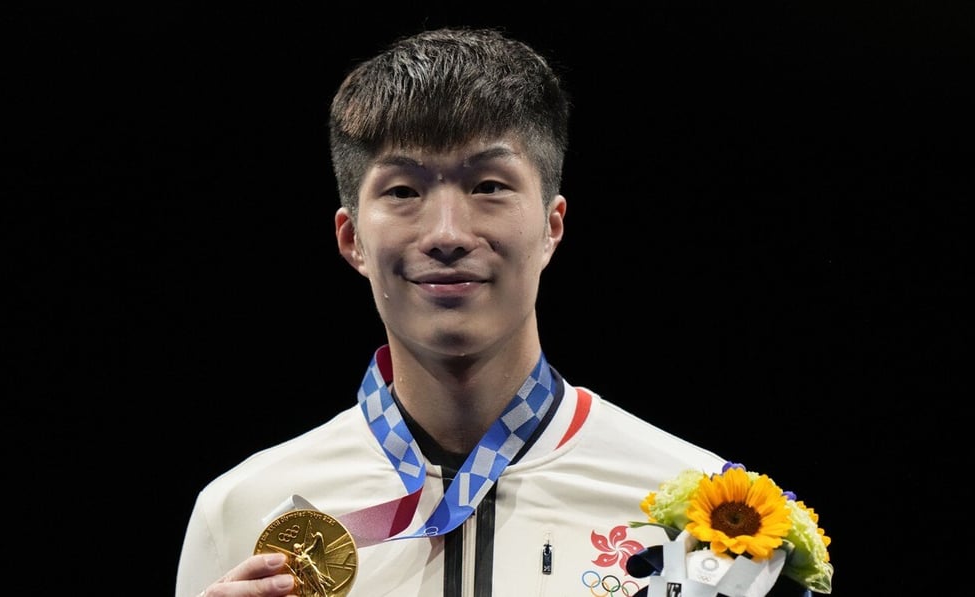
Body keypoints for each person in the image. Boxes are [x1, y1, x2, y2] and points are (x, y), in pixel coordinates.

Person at [175, 26, 729, 597]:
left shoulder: (704, 511)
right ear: (352, 239)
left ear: (551, 227)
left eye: (489, 185)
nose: (446, 234)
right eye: (402, 191)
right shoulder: (241, 512)